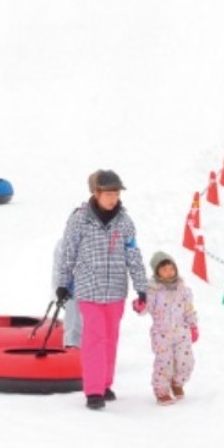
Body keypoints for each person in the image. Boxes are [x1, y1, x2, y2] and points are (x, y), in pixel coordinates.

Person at [54, 169, 148, 410]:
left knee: (111, 338)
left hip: (116, 290)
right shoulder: (79, 220)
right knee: (94, 338)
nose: (112, 198)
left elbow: (133, 255)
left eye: (116, 193)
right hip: (89, 290)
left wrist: (141, 287)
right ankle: (93, 391)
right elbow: (68, 252)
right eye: (108, 193)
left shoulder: (124, 222)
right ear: (95, 193)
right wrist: (63, 283)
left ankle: (105, 384)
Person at [142, 251, 198, 406]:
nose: (169, 272)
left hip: (182, 333)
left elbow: (189, 309)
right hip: (162, 334)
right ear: (157, 272)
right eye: (164, 269)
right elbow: (146, 307)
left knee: (187, 361)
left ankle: (177, 382)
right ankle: (161, 390)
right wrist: (140, 305)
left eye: (171, 268)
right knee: (164, 362)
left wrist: (193, 326)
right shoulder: (153, 290)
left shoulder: (184, 290)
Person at [51, 237, 82, 349]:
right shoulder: (65, 243)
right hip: (72, 291)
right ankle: (72, 347)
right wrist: (59, 288)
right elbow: (58, 269)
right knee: (74, 321)